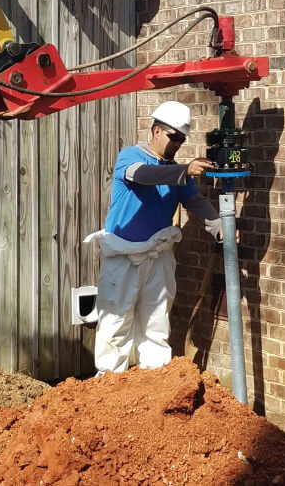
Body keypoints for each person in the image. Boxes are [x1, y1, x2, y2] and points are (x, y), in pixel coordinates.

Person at [85, 100, 224, 374]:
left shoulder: (175, 172)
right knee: (115, 321)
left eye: (181, 140)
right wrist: (183, 170)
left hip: (158, 256)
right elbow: (143, 176)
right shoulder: (131, 156)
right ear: (156, 131)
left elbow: (195, 202)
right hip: (124, 256)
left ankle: (155, 381)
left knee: (156, 322)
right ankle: (109, 384)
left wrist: (219, 226)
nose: (177, 145)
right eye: (173, 137)